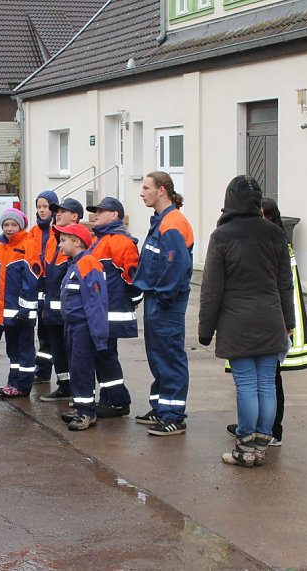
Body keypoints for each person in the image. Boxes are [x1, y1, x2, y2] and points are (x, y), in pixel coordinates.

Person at [198, 176, 295, 468]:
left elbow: (212, 288)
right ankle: (262, 445)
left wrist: (205, 329)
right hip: (270, 317)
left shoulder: (223, 235)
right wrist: (288, 321)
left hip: (236, 321)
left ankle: (244, 448)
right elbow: (285, 283)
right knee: (266, 383)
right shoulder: (275, 233)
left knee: (245, 384)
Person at [225, 197, 307, 446]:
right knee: (263, 380)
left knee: (268, 380)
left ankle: (271, 430)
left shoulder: (275, 244)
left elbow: (287, 288)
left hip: (272, 323)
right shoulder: (271, 241)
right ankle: (258, 428)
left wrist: (288, 325)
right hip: (270, 321)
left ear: (270, 217)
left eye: (260, 215)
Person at [133, 171, 194, 436]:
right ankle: (161, 407)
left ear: (162, 190)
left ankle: (173, 416)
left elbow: (176, 266)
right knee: (158, 356)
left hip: (165, 302)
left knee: (169, 357)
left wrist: (163, 296)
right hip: (157, 299)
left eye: (146, 187)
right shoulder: (162, 221)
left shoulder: (171, 223)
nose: (141, 192)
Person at [85, 197, 142, 418]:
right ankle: (110, 399)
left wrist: (133, 301)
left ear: (114, 215)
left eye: (101, 211)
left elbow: (132, 277)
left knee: (106, 355)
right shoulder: (101, 240)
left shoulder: (119, 242)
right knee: (104, 354)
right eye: (95, 211)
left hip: (112, 310)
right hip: (104, 310)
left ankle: (118, 400)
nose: (95, 215)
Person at [52, 223, 108, 431]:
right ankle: (81, 406)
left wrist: (98, 335)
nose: (60, 245)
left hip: (83, 327)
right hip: (72, 326)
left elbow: (95, 302)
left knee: (83, 369)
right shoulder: (74, 264)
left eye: (63, 240)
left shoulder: (88, 264)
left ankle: (86, 412)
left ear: (77, 242)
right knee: (76, 367)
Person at [0, 208, 41, 397]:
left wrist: (26, 309)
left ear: (20, 225)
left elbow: (32, 280)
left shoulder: (28, 245)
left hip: (21, 311)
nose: (9, 228)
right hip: (6, 311)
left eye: (13, 224)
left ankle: (23, 386)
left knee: (25, 349)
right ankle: (13, 383)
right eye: (6, 225)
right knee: (13, 350)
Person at [39, 198, 85, 403]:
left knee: (73, 352)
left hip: (68, 311)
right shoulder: (53, 239)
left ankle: (77, 391)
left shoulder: (78, 241)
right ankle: (64, 386)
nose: (56, 213)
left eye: (62, 211)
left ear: (74, 216)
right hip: (51, 309)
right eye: (56, 211)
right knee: (57, 350)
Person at [30, 190, 60, 384]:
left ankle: (62, 375)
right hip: (38, 284)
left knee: (55, 332)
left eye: (46, 206)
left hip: (54, 285)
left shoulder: (59, 230)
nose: (42, 210)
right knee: (42, 332)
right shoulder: (34, 231)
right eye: (39, 207)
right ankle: (42, 371)